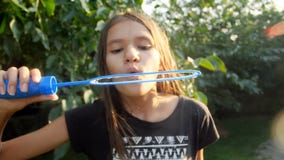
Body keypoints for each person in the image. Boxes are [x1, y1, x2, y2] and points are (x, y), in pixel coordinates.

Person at [0, 9, 219, 160]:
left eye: (144, 46)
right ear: (106, 66)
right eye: (116, 50)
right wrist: (3, 110)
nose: (132, 55)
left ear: (161, 59)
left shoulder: (194, 114)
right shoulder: (88, 119)